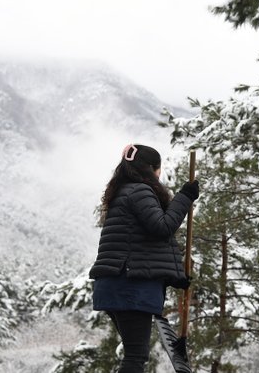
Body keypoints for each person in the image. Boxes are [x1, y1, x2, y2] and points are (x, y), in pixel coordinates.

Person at [89, 144, 199, 373]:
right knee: (135, 356)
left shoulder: (123, 192)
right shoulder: (139, 191)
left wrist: (173, 276)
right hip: (129, 286)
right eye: (159, 169)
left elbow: (142, 247)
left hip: (119, 284)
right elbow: (162, 227)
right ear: (152, 169)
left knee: (135, 353)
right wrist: (185, 198)